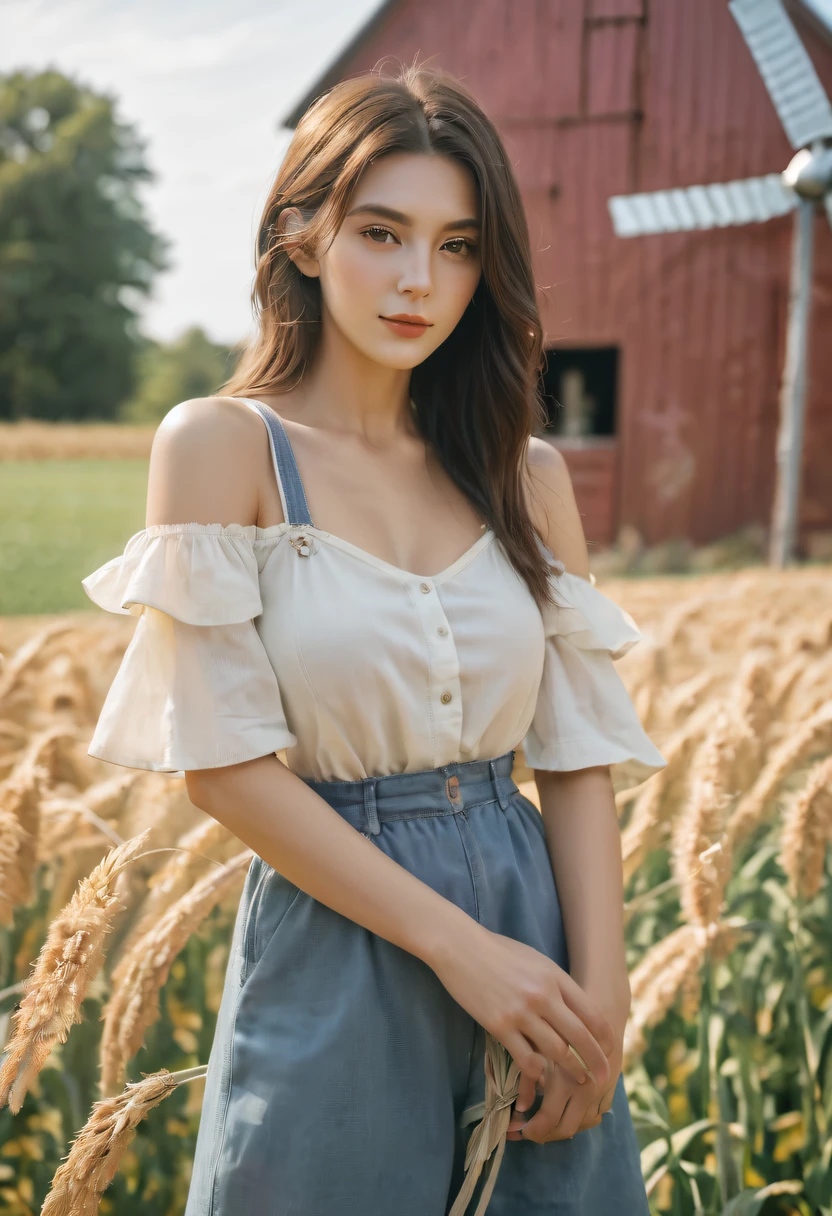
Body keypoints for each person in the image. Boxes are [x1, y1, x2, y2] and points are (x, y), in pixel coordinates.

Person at [81, 62, 667, 1216]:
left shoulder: (525, 475)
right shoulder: (223, 446)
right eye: (381, 232)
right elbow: (224, 767)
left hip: (535, 928)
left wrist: (602, 998)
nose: (418, 280)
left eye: (457, 246)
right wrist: (460, 949)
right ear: (301, 236)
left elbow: (575, 755)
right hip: (344, 933)